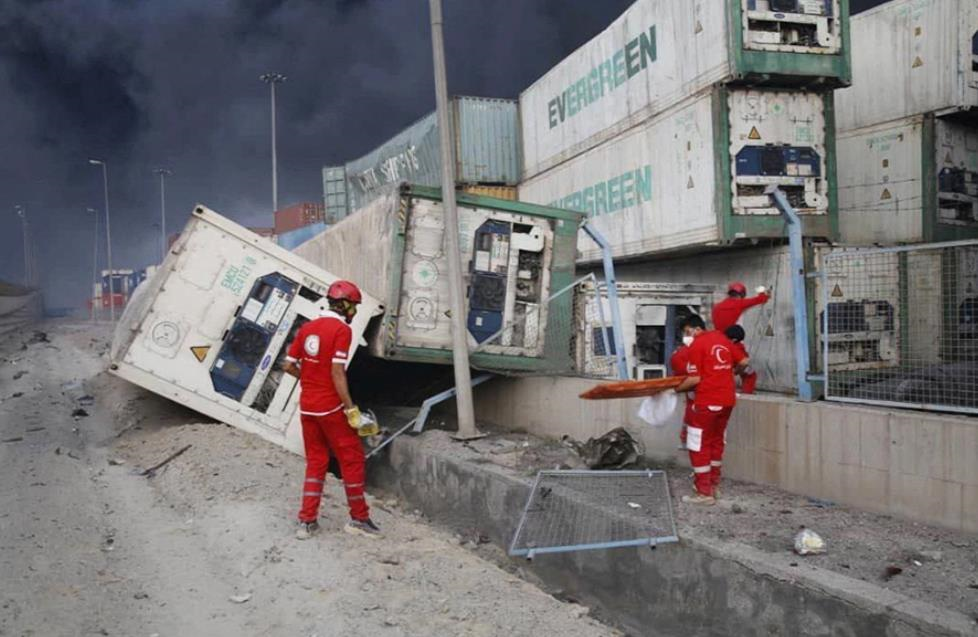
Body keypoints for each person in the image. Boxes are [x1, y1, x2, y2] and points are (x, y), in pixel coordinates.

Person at [283, 280, 381, 540]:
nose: (355, 312)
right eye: (355, 307)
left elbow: (288, 365)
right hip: (330, 407)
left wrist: (309, 378)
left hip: (308, 408)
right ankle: (359, 519)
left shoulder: (307, 329)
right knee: (352, 459)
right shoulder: (341, 331)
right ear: (346, 305)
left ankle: (307, 522)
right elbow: (337, 371)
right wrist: (351, 410)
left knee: (316, 461)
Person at [674, 314, 749, 505]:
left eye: (686, 331)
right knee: (716, 442)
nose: (686, 335)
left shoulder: (696, 345)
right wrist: (730, 374)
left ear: (693, 328)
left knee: (698, 444)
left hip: (707, 401)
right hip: (727, 401)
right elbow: (744, 362)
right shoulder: (721, 338)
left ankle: (703, 493)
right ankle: (714, 486)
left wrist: (675, 390)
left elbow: (694, 379)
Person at [669, 342, 694, 450]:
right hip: (697, 387)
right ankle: (686, 438)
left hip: (692, 385)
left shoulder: (680, 354)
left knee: (691, 410)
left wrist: (677, 389)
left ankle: (685, 438)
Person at [724, 325, 757, 394]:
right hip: (739, 366)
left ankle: (747, 394)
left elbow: (743, 363)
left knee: (749, 380)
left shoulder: (738, 348)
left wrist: (735, 370)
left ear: (733, 340)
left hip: (746, 369)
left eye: (726, 339)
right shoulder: (734, 346)